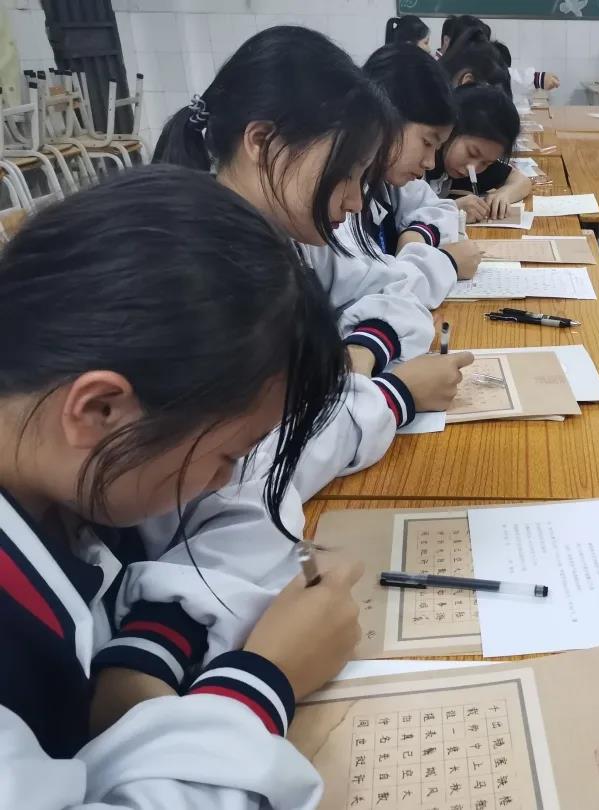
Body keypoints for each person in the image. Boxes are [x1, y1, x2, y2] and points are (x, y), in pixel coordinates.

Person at [121, 28, 472, 706]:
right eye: (348, 174)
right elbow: (246, 468)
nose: (355, 201)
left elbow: (245, 473)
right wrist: (389, 396)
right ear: (263, 141)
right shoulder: (194, 272)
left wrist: (358, 358)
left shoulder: (279, 235)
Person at [0, 165, 363, 807]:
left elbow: (242, 499)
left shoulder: (67, 462)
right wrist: (260, 683)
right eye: (226, 454)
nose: (227, 477)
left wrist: (146, 646)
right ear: (99, 409)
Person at [359, 44, 483, 308]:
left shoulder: (387, 178)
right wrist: (448, 263)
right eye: (427, 142)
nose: (430, 162)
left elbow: (440, 209)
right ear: (384, 117)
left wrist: (417, 234)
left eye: (437, 148)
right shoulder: (340, 199)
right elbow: (373, 293)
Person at [426, 83, 530, 223]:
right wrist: (453, 209)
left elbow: (522, 181)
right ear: (451, 129)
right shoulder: (423, 162)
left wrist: (504, 194)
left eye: (486, 163)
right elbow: (405, 216)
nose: (473, 169)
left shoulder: (473, 167)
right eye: (472, 153)